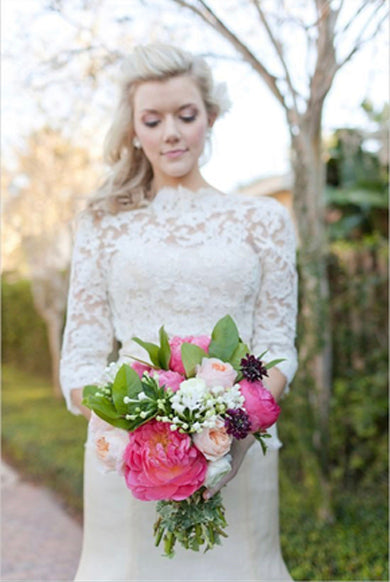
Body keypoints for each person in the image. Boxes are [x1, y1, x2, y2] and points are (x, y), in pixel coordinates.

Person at [60, 42, 298, 582]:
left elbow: (279, 344)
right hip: (125, 459)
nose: (171, 132)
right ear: (135, 131)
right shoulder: (102, 224)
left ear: (209, 118)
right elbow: (80, 357)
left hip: (237, 452)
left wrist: (232, 425)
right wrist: (136, 423)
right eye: (153, 119)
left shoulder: (262, 220)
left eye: (185, 116)